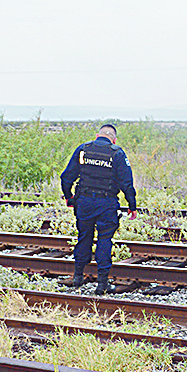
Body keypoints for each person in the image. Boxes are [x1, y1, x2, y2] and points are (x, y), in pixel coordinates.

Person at [60, 123, 137, 295]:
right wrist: (132, 205)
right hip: (106, 204)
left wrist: (69, 197)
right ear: (114, 139)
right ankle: (102, 285)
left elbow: (66, 177)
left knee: (84, 237)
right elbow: (127, 183)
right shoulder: (117, 153)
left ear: (97, 136)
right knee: (104, 240)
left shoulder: (83, 150)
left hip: (84, 202)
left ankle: (78, 278)